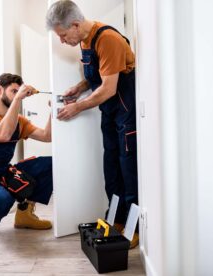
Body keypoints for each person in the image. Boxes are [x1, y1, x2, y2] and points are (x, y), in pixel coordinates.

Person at [46, 0, 139, 248]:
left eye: (64, 35)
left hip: (125, 111)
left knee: (128, 169)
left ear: (75, 24)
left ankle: (134, 227)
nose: (63, 41)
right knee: (111, 167)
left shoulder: (107, 39)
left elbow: (108, 88)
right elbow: (98, 76)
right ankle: (117, 219)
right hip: (110, 113)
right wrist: (78, 89)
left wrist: (76, 107)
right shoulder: (85, 40)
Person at [0, 73, 53, 238]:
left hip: (5, 171)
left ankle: (25, 214)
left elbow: (46, 136)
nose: (18, 95)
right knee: (2, 200)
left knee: (50, 164)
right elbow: (3, 134)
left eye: (19, 92)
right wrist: (18, 99)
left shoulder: (19, 121)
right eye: (14, 91)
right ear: (0, 90)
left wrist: (54, 110)